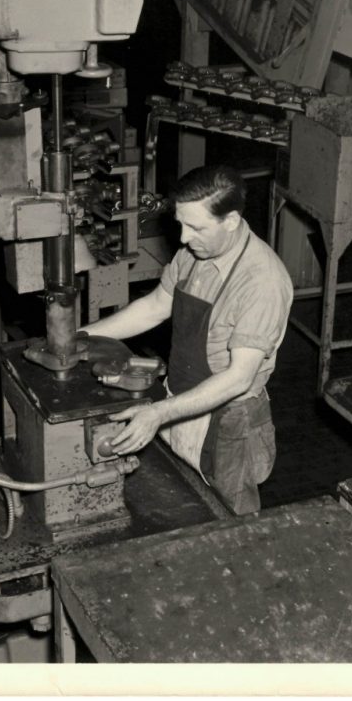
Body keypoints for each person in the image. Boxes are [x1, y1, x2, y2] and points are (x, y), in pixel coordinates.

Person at [82, 165, 293, 514]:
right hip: (180, 401)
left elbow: (239, 377)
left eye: (195, 227)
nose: (182, 238)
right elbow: (153, 308)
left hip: (228, 422)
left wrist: (158, 413)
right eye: (181, 224)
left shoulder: (262, 282)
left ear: (232, 220)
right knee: (180, 503)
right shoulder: (194, 253)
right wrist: (81, 336)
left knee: (231, 520)